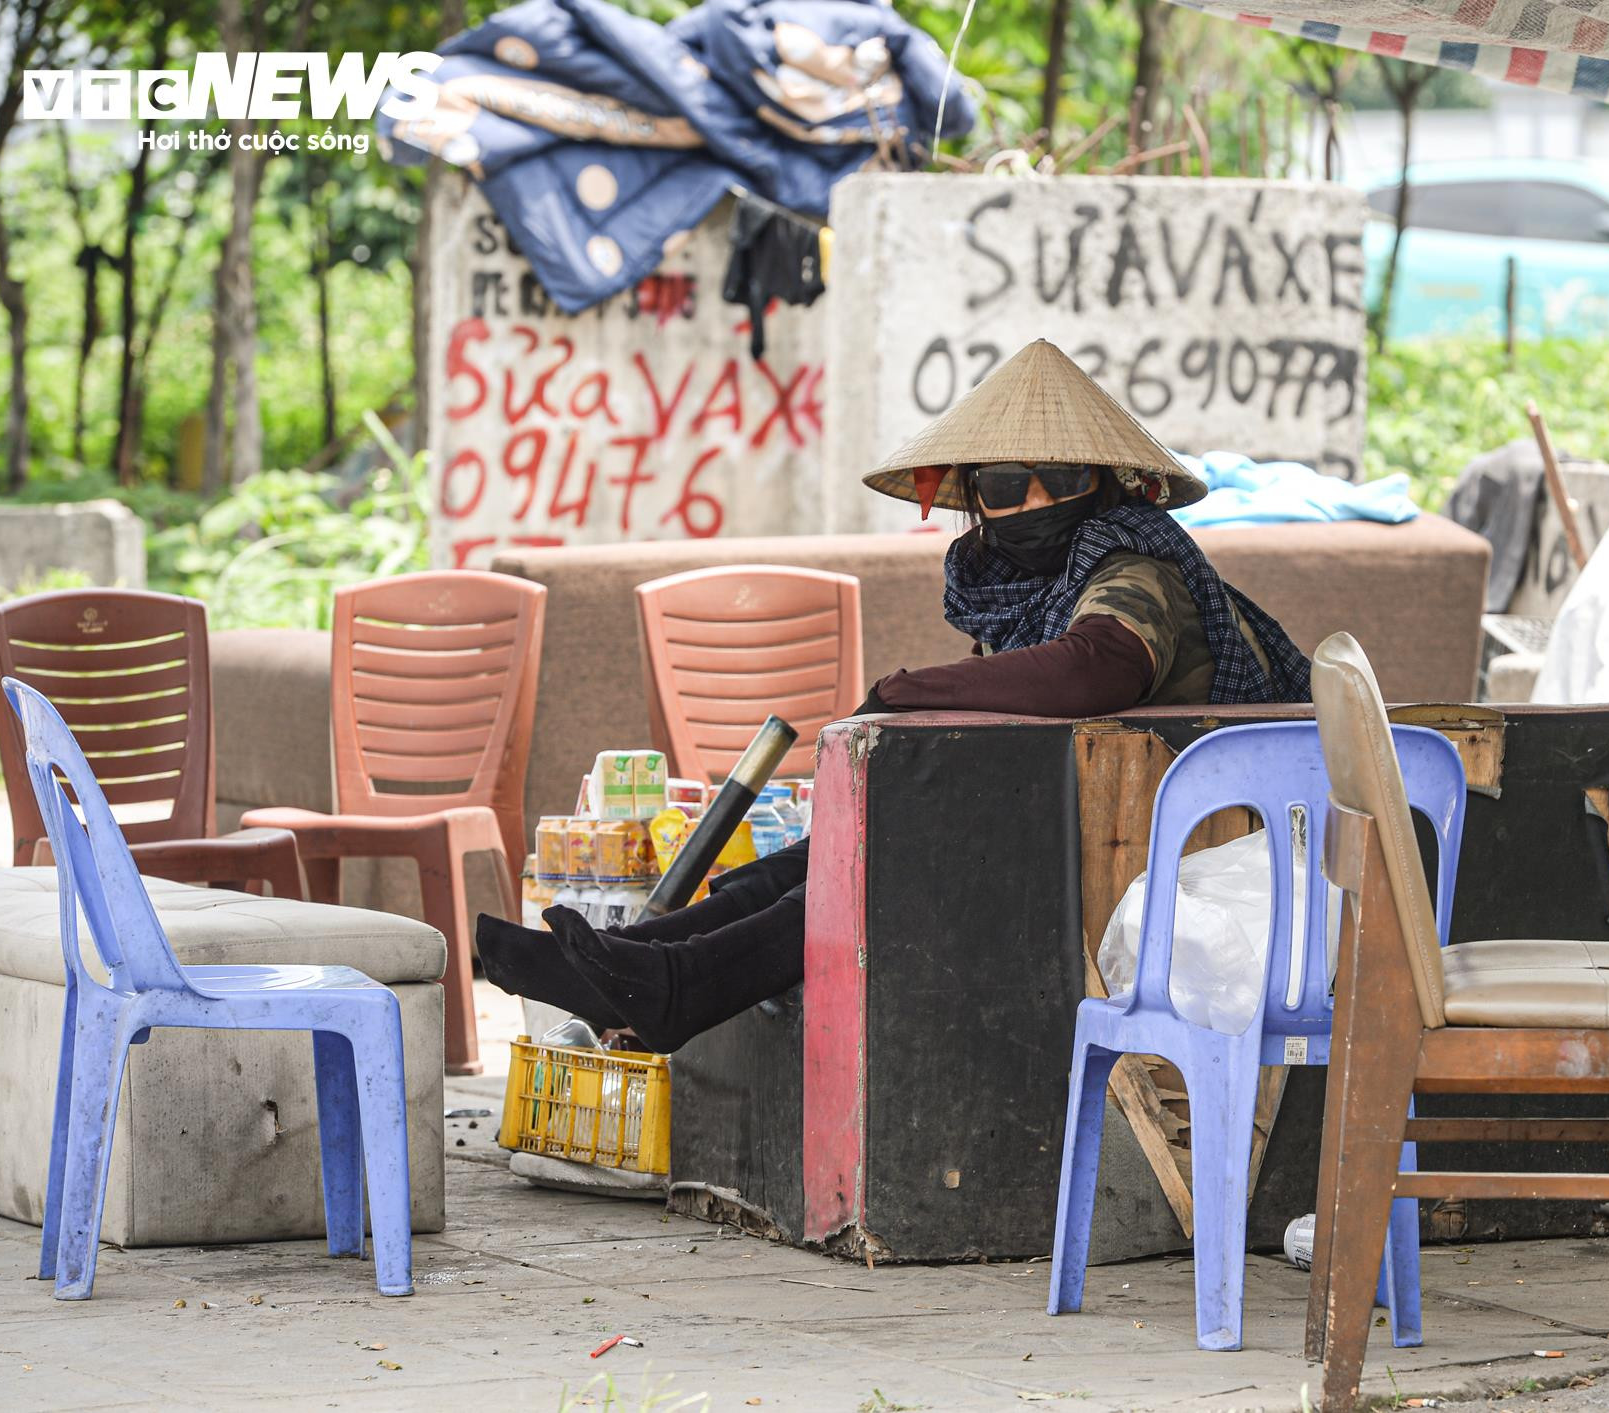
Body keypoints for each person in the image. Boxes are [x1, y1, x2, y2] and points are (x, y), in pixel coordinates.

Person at [476, 339, 1313, 1052]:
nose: (1028, 501)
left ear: (1100, 484)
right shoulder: (1033, 588)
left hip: (1180, 844)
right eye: (1003, 483)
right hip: (1080, 823)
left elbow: (1094, 669)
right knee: (827, 848)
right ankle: (638, 956)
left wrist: (898, 691)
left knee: (885, 852)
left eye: (1053, 476)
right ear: (974, 497)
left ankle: (668, 982)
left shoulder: (1133, 563)